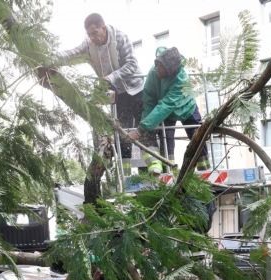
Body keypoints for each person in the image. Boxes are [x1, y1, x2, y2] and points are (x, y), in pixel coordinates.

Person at [52, 13, 144, 176]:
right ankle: (127, 175)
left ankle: (150, 174)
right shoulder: (89, 44)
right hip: (118, 94)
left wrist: (110, 77)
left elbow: (132, 64)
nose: (92, 37)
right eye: (89, 34)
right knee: (123, 134)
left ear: (103, 27)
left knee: (143, 131)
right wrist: (50, 57)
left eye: (95, 33)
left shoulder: (120, 37)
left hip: (135, 90)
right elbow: (72, 53)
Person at [129, 47, 211, 172]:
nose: (158, 69)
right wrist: (143, 127)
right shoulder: (153, 72)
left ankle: (205, 169)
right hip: (166, 111)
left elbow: (167, 105)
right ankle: (169, 170)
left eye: (161, 68)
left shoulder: (181, 78)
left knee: (197, 136)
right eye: (158, 65)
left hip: (186, 108)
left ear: (171, 70)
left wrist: (140, 130)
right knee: (166, 141)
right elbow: (149, 101)